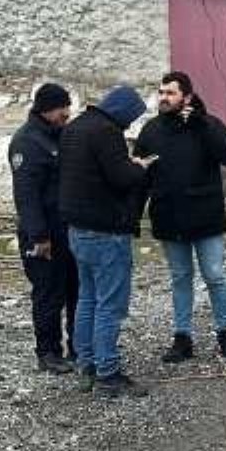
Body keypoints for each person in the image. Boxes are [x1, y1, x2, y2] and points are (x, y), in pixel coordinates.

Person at [135, 71, 226, 363]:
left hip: (205, 218)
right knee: (180, 278)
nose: (163, 98)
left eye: (170, 93)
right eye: (161, 92)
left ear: (187, 96)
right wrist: (131, 216)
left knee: (215, 276)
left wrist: (201, 122)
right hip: (169, 218)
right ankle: (182, 338)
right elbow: (139, 175)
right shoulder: (151, 131)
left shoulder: (206, 125)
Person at [59, 85, 153, 399]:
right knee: (110, 306)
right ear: (123, 112)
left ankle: (85, 364)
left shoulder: (75, 128)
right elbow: (121, 178)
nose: (130, 124)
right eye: (132, 117)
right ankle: (108, 374)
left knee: (87, 298)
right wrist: (138, 167)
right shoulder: (106, 132)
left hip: (77, 228)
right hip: (106, 231)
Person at [9, 82, 79, 374]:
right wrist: (39, 236)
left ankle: (78, 345)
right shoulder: (27, 142)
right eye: (64, 108)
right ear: (50, 108)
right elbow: (27, 197)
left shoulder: (57, 135)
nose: (67, 114)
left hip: (66, 230)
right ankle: (48, 352)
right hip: (43, 235)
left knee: (75, 288)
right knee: (48, 293)